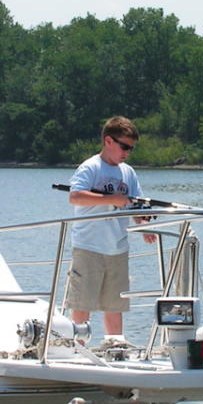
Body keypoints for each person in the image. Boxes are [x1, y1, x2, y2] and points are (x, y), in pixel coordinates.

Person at [65, 116, 158, 348]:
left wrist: (144, 223)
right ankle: (76, 348)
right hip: (89, 245)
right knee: (83, 301)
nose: (127, 152)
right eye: (124, 146)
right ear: (108, 141)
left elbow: (134, 205)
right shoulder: (91, 167)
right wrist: (111, 198)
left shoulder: (128, 173)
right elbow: (75, 196)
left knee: (115, 304)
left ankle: (115, 345)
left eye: (131, 148)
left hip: (118, 246)